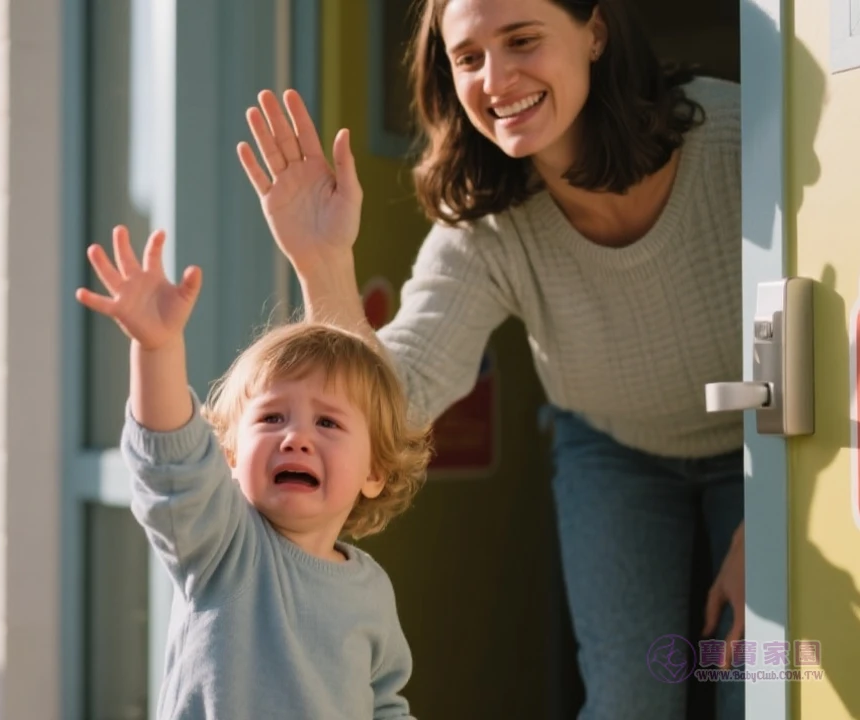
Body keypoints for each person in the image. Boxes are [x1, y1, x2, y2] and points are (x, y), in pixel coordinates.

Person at [236, 0, 747, 717]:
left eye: (522, 40)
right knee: (633, 695)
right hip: (615, 450)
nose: (496, 78)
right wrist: (323, 261)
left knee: (762, 680)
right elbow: (395, 397)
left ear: (594, 32)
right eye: (469, 57)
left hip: (772, 450)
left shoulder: (736, 136)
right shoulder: (486, 221)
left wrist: (785, 516)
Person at [75, 225, 431, 719]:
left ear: (375, 470)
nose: (295, 437)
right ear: (231, 454)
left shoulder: (370, 589)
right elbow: (172, 468)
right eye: (271, 418)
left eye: (327, 421)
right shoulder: (221, 545)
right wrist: (157, 350)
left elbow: (386, 704)